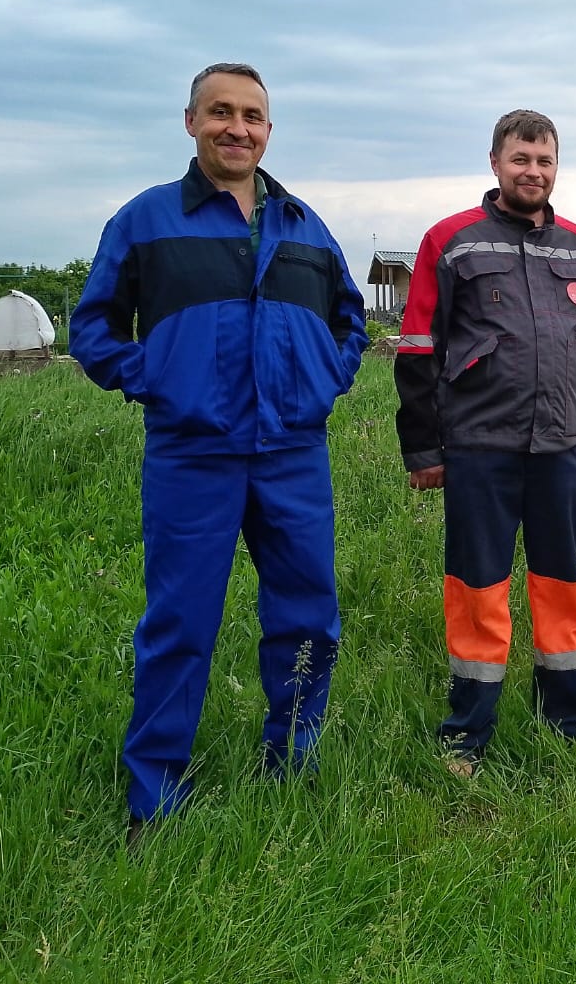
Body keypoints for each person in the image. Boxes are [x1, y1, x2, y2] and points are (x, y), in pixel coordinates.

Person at [70, 63, 367, 842]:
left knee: (307, 619)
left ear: (269, 130)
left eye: (254, 116)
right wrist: (157, 380)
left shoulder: (303, 224)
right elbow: (94, 327)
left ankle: (292, 764)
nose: (238, 128)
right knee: (180, 623)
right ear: (192, 122)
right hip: (192, 455)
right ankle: (155, 795)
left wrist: (325, 381)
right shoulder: (147, 220)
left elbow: (349, 319)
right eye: (221, 113)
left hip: (293, 455)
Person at [395, 109, 576, 774]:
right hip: (479, 448)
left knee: (561, 585)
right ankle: (466, 732)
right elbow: (419, 349)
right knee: (477, 589)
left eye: (543, 161)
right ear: (495, 164)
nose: (531, 172)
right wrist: (423, 451)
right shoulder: (449, 242)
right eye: (520, 159)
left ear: (555, 168)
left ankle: (571, 718)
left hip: (563, 448)